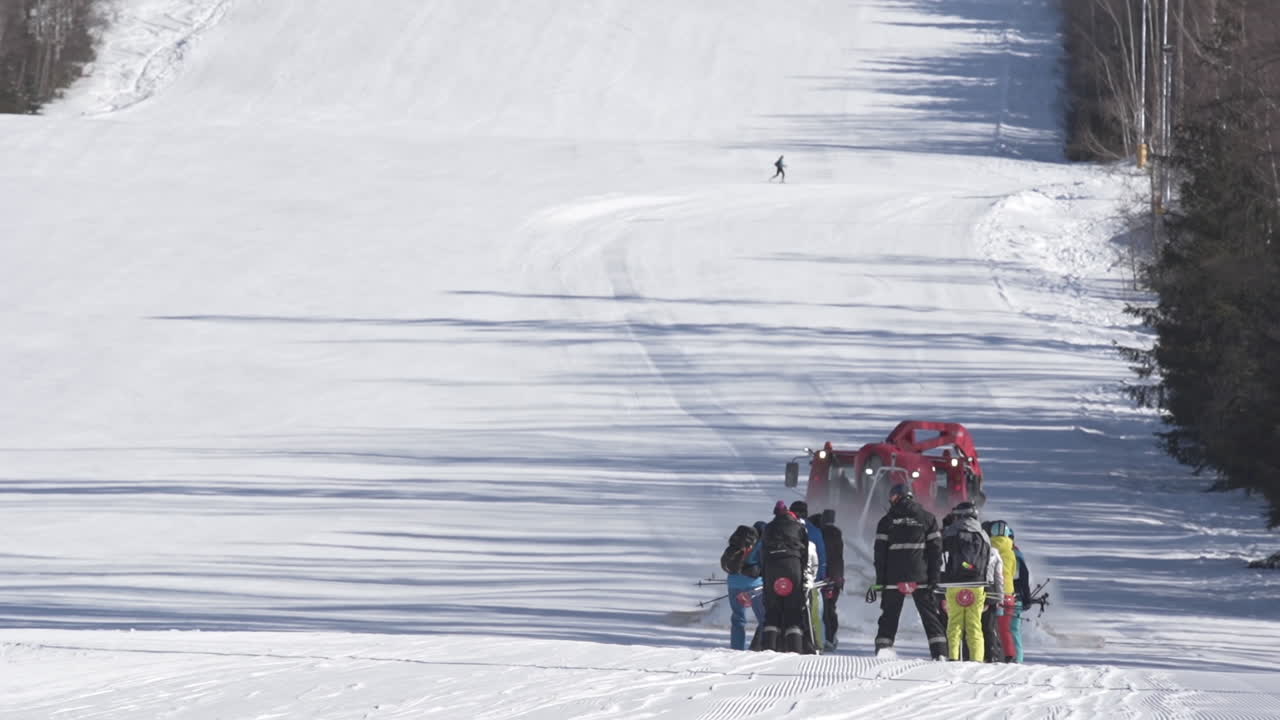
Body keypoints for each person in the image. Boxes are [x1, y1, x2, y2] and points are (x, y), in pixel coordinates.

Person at [873, 483, 947, 660]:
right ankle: (940, 653)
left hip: (893, 578)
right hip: (921, 577)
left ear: (897, 497)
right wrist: (934, 579)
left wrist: (880, 581)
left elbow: (880, 555)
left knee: (889, 616)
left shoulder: (886, 521)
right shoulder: (927, 518)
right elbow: (936, 552)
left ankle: (883, 649)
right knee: (930, 617)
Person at [940, 502, 990, 662]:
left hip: (954, 583)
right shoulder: (983, 534)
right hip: (977, 584)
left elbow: (939, 551)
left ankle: (953, 657)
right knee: (974, 624)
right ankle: (977, 659)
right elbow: (988, 562)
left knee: (954, 622)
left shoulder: (951, 532)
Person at [758, 500, 811, 653]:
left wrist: (764, 574)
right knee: (793, 608)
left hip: (772, 568)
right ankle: (795, 648)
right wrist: (802, 572)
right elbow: (805, 553)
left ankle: (769, 648)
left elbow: (762, 553)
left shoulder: (768, 528)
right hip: (793, 566)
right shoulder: (799, 527)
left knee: (772, 608)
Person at [790, 501, 827, 651]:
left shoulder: (786, 528)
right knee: (815, 614)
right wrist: (821, 577)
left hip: (790, 578)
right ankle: (818, 643)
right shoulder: (815, 531)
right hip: (812, 579)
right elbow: (821, 557)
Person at [726, 521, 766, 650]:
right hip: (754, 585)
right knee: (764, 619)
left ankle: (736, 648)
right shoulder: (762, 544)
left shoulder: (738, 542)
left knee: (738, 618)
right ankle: (758, 649)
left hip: (733, 583)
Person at [989, 519, 1018, 663]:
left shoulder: (989, 549)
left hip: (992, 592)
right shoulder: (1012, 553)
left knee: (988, 626)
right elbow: (1013, 573)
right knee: (1005, 628)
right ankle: (1010, 654)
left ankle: (990, 652)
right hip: (1008, 594)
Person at [818, 508, 845, 651]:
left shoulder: (819, 532)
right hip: (836, 577)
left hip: (822, 576)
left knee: (823, 609)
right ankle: (831, 637)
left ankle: (824, 637)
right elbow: (838, 557)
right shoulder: (837, 533)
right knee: (831, 608)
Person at [980, 521, 1005, 662]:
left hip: (973, 588)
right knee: (989, 626)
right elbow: (998, 578)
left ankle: (974, 654)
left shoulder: (974, 548)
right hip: (990, 591)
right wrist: (1000, 598)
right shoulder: (994, 552)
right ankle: (991, 655)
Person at [1011, 528, 1031, 663]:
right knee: (1014, 629)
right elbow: (1024, 578)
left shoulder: (993, 551)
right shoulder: (1017, 554)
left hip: (998, 596)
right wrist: (1026, 598)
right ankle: (1017, 659)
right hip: (1016, 597)